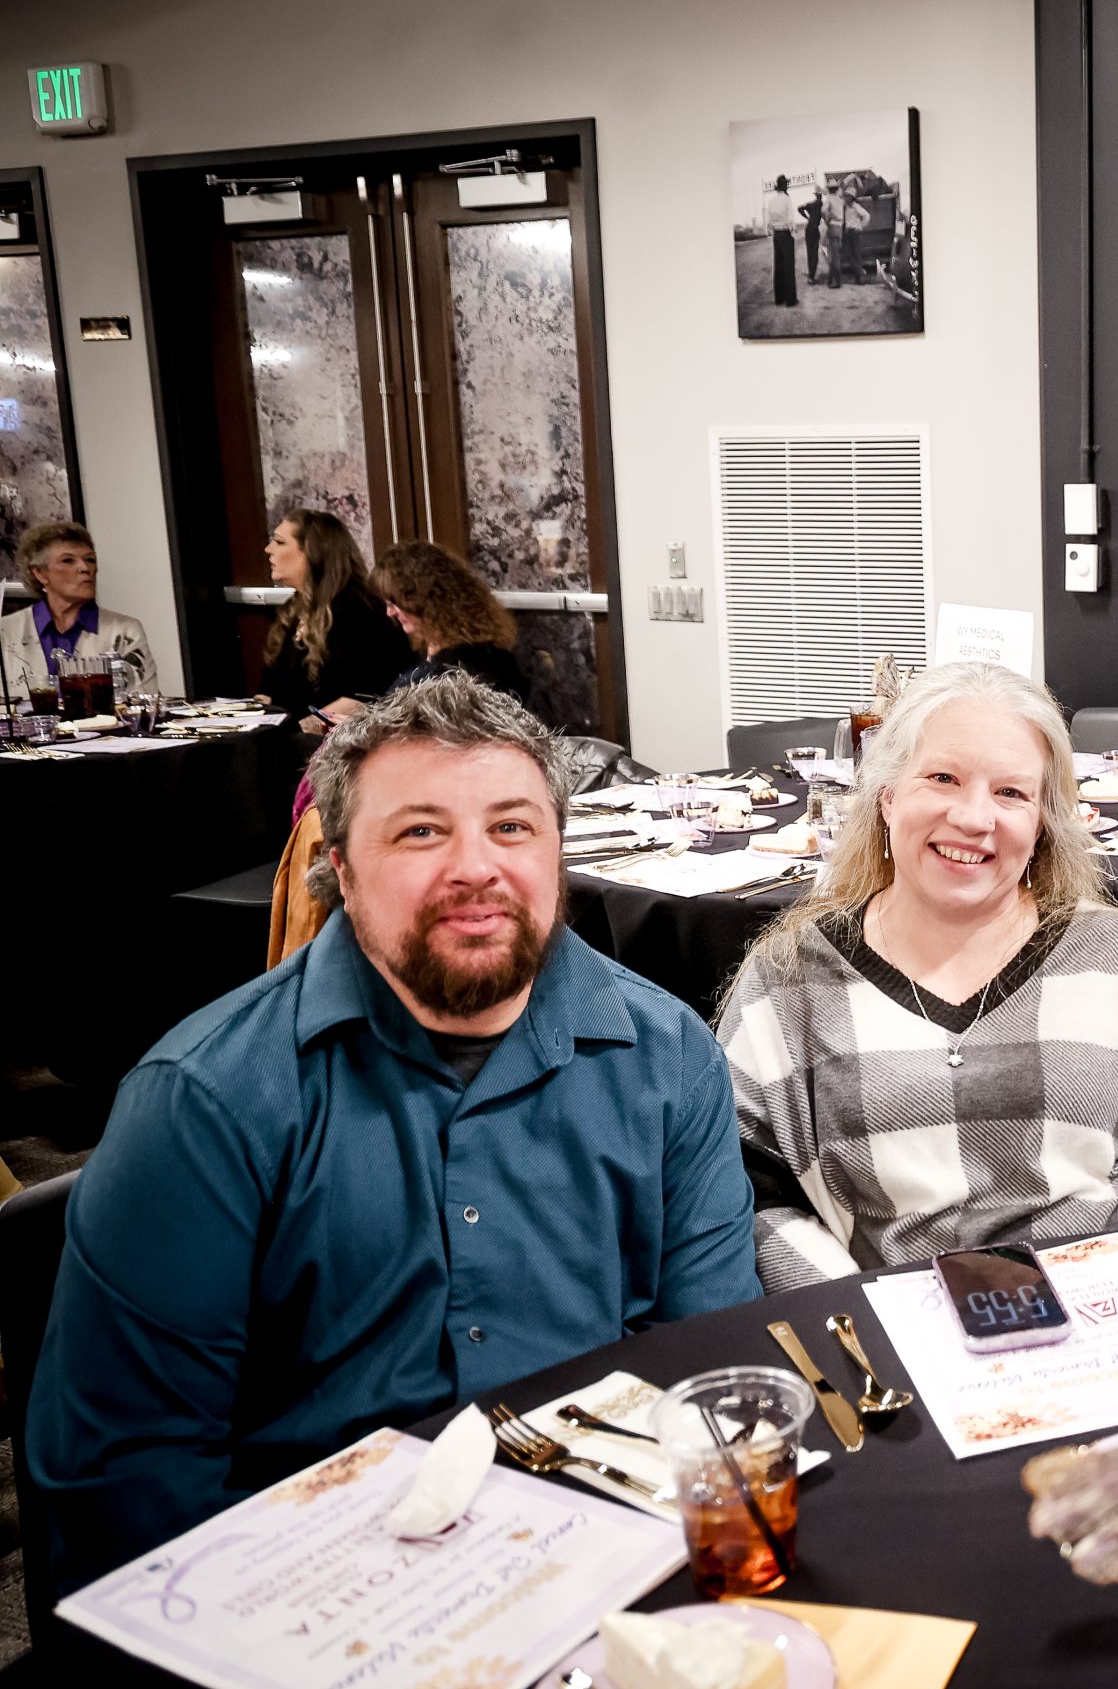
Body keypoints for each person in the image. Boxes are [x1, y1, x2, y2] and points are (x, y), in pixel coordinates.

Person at [27, 672, 760, 1587]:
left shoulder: (669, 1056)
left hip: (604, 1554)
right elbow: (126, 1487)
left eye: (512, 827)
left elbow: (709, 1367)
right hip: (305, 1590)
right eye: (420, 831)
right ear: (340, 868)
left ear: (558, 851)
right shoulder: (206, 1100)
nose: (475, 867)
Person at [720, 661, 1118, 1284]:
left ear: (1043, 823)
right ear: (887, 796)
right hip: (888, 1327)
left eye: (1011, 793)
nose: (975, 818)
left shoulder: (1115, 954)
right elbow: (746, 1184)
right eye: (943, 778)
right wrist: (852, 1310)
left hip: (1108, 1313)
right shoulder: (789, 979)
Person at [256, 508, 411, 730]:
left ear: (312, 552)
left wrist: (292, 734)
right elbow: (269, 691)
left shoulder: (359, 609)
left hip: (337, 741)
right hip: (292, 738)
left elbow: (362, 697)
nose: (268, 549)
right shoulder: (291, 610)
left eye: (279, 542)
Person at [366, 539, 530, 707]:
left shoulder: (472, 666)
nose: (390, 613)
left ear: (423, 598)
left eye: (394, 604)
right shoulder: (429, 649)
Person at [2, 520, 158, 697]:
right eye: (68, 560)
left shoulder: (124, 631)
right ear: (39, 573)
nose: (85, 568)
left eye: (90, 560)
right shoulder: (6, 631)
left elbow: (145, 702)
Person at [765, 174, 799, 308]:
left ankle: (779, 298)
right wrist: (793, 231)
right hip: (785, 233)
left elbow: (768, 220)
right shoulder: (786, 199)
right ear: (785, 186)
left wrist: (771, 231)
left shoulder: (771, 201)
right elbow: (791, 218)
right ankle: (790, 299)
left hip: (776, 235)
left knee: (778, 265)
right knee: (788, 266)